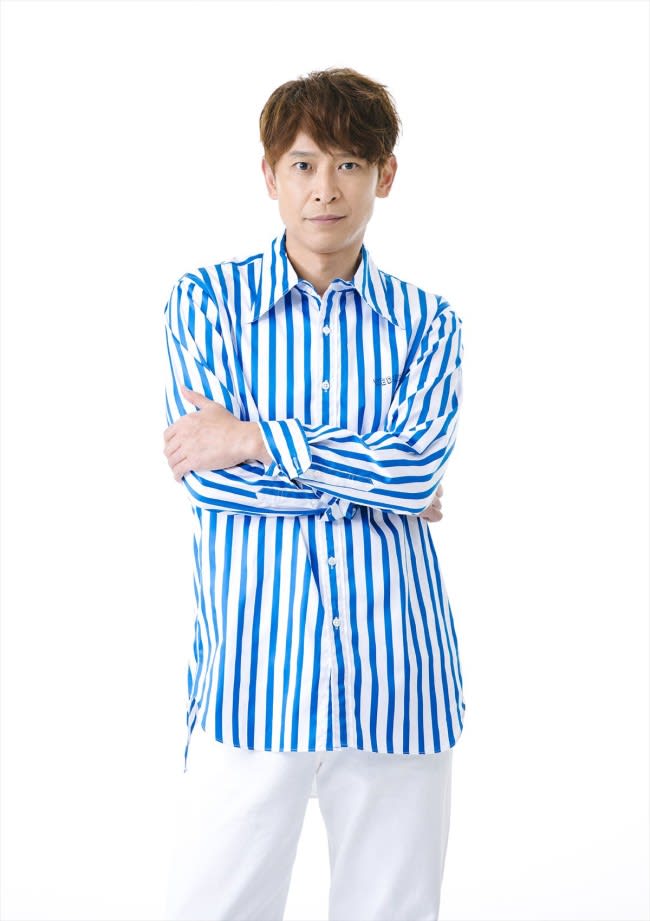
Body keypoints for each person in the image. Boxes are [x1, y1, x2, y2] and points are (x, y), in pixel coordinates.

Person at [161, 66, 466, 921]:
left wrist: (257, 437)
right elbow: (214, 487)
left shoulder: (428, 322)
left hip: (397, 675)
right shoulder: (208, 304)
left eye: (348, 164)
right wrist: (380, 480)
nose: (324, 189)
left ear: (385, 175)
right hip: (254, 675)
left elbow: (417, 470)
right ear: (270, 175)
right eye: (302, 164)